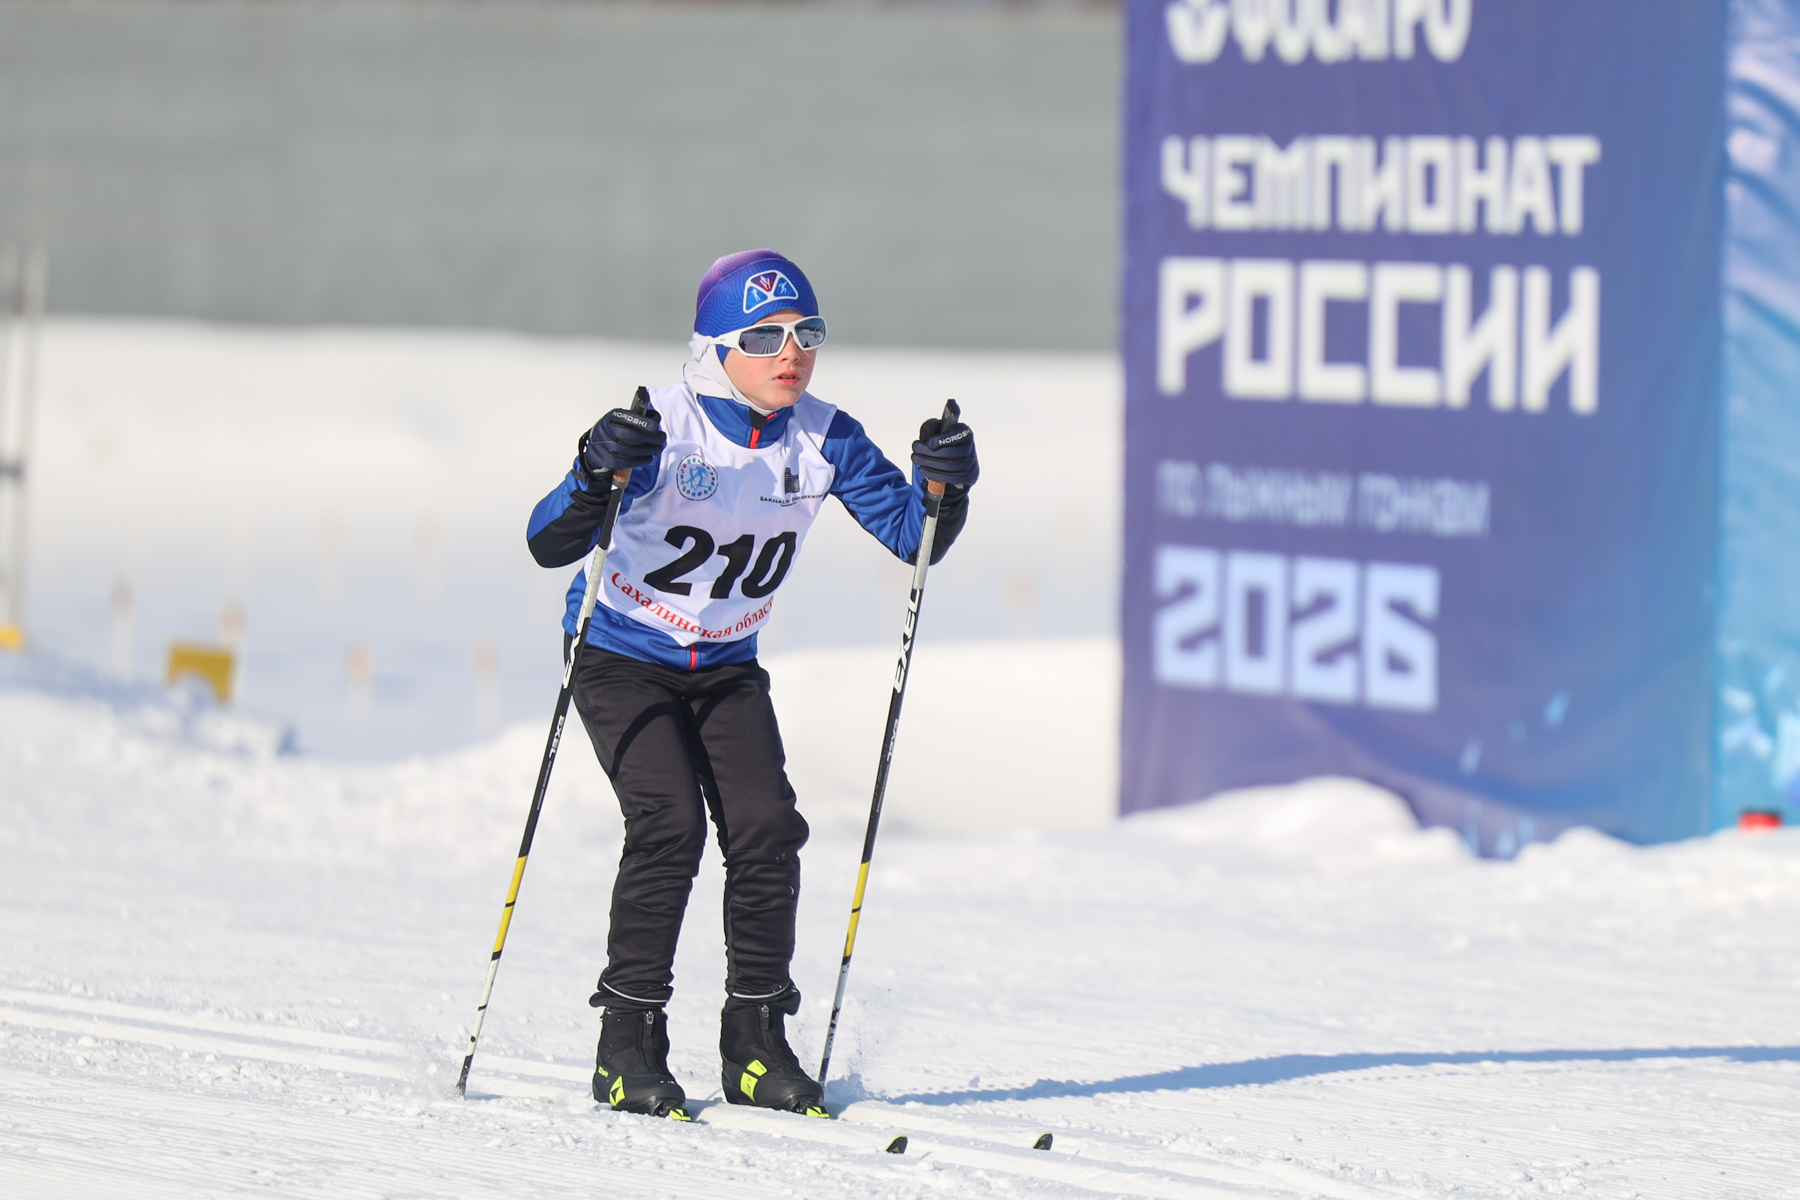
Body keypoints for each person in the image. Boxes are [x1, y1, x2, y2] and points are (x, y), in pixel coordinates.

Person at [525, 249, 979, 1119]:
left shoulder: (824, 434)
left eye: (807, 333)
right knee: (669, 823)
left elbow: (913, 535)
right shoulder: (664, 424)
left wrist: (945, 487)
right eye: (764, 335)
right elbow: (548, 540)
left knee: (768, 828)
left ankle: (756, 1044)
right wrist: (593, 469)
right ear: (714, 349)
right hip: (621, 653)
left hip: (725, 664)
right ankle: (627, 1045)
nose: (791, 352)